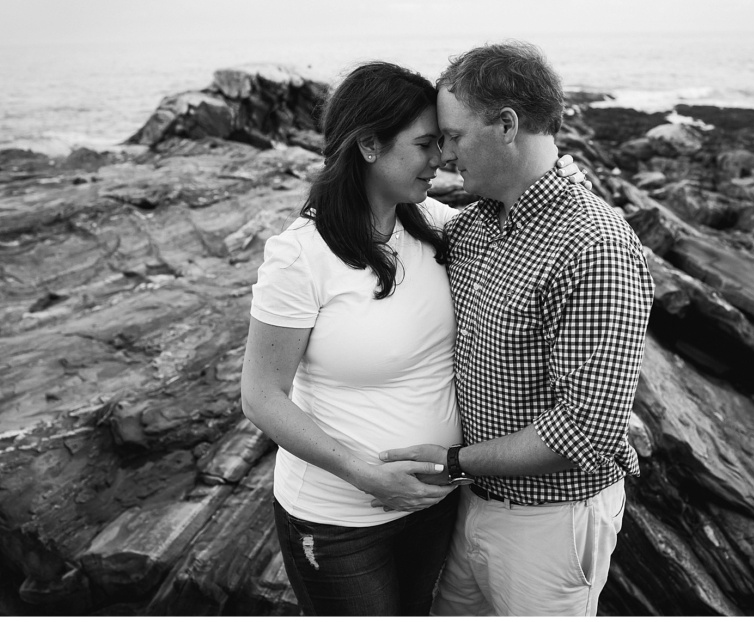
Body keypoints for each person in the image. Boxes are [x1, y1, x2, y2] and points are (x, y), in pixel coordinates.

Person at [240, 60, 585, 616]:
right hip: (341, 520)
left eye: (446, 140)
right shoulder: (299, 256)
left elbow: (526, 222)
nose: (443, 158)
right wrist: (364, 472)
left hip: (438, 506)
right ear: (370, 146)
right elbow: (260, 396)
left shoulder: (435, 222)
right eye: (427, 143)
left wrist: (567, 187)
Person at [379, 41, 655, 616]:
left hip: (550, 526)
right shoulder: (475, 226)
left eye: (453, 136)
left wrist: (452, 461)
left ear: (506, 125)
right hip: (471, 507)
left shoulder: (594, 246)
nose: (445, 155)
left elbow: (587, 432)